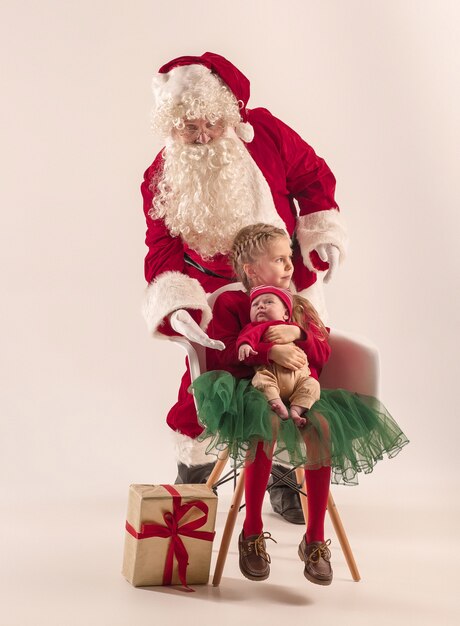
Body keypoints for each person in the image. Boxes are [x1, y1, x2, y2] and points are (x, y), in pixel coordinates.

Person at [141, 52, 348, 522]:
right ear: (171, 127)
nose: (201, 136)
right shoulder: (160, 175)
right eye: (188, 127)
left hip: (284, 286)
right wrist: (178, 306)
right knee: (207, 385)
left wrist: (322, 235)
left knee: (296, 378)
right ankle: (194, 483)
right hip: (216, 300)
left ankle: (285, 481)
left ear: (228, 113)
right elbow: (161, 247)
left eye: (210, 123)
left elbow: (312, 177)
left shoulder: (267, 134)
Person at [192, 223, 408, 585]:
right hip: (252, 390)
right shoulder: (233, 303)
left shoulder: (301, 305)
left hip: (301, 391)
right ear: (251, 270)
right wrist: (267, 349)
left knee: (321, 427)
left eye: (289, 257)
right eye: (279, 259)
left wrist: (299, 333)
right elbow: (223, 354)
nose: (289, 265)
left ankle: (315, 540)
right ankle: (252, 531)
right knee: (267, 425)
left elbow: (322, 353)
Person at [237, 285, 321, 427]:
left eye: (268, 302)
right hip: (271, 374)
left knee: (313, 385)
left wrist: (298, 333)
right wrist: (244, 345)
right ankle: (277, 403)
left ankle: (296, 410)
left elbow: (317, 349)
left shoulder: (293, 328)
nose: (261, 306)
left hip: (299, 378)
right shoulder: (255, 327)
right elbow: (246, 338)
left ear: (286, 314)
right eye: (255, 305)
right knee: (261, 380)